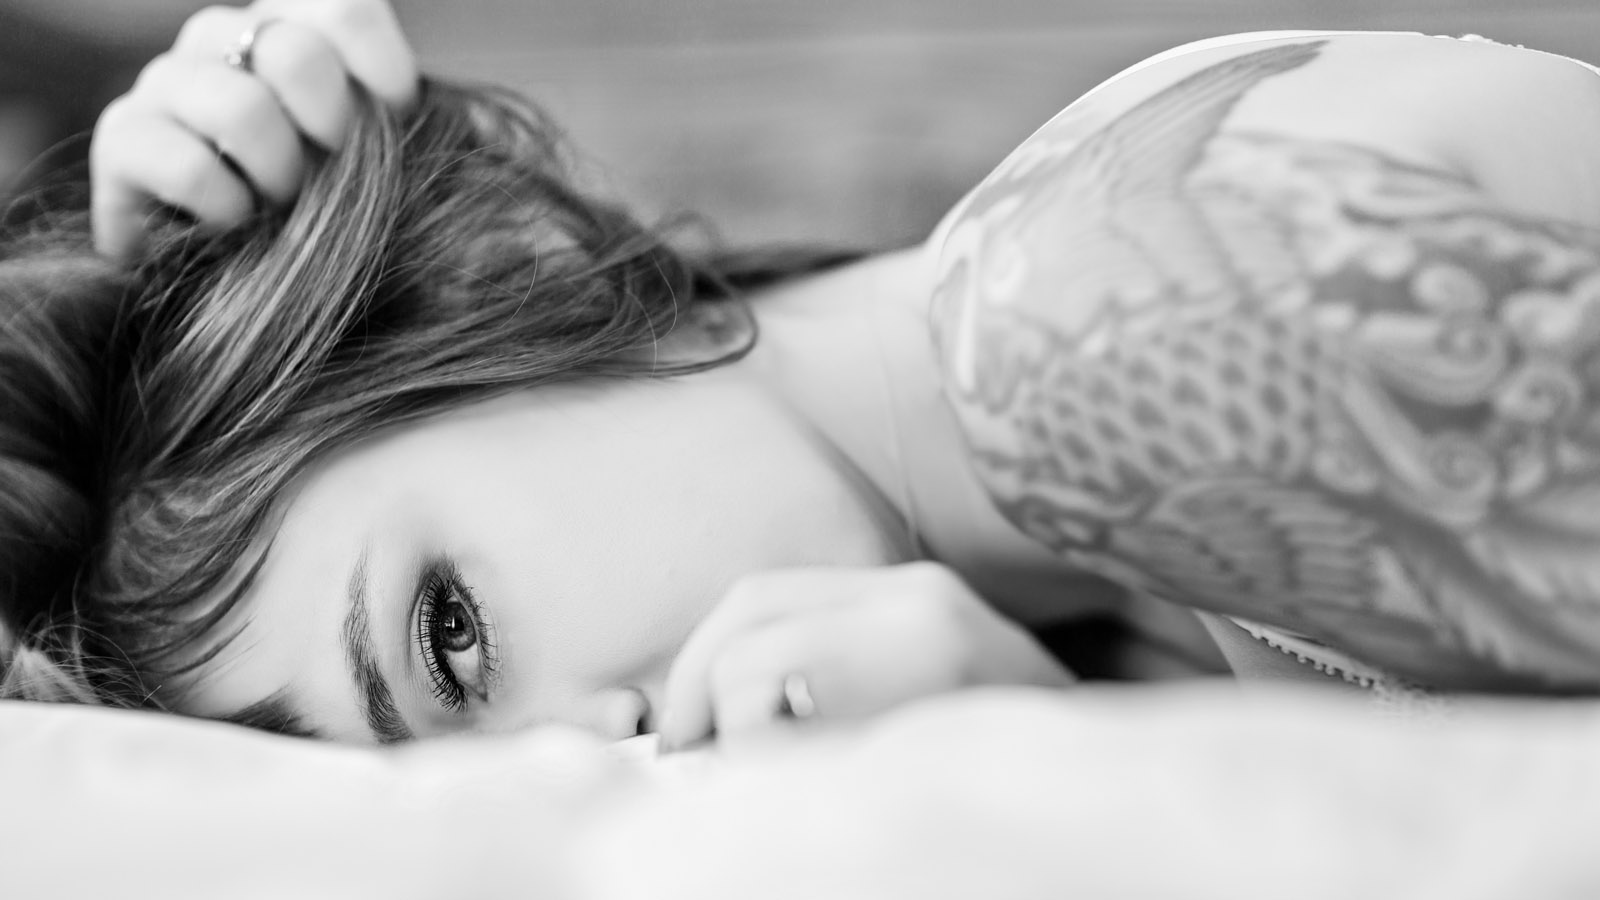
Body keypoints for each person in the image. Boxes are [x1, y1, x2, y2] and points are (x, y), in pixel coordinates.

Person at [5, 0, 1600, 748]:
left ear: (516, 274)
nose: (590, 758)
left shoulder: (1098, 327)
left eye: (452, 638)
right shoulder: (1073, 582)